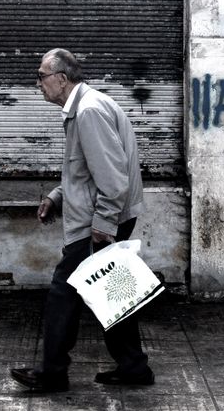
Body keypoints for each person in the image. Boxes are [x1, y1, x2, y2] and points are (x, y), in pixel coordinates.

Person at [10, 48, 154, 392]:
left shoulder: (89, 111)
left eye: (42, 76)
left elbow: (113, 177)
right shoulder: (84, 108)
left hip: (99, 220)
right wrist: (56, 197)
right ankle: (134, 368)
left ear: (61, 78)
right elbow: (86, 171)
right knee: (111, 292)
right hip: (105, 215)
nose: (39, 83)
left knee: (64, 290)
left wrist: (103, 222)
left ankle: (52, 372)